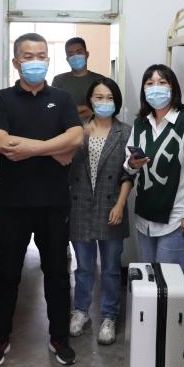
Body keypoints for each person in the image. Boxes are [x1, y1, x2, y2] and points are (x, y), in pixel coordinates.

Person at [0, 33, 84, 367]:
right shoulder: (1, 99)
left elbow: (76, 137)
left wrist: (32, 148)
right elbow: (2, 142)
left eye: (41, 56)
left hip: (54, 203)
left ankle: (60, 338)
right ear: (16, 62)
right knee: (7, 274)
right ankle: (0, 338)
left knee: (57, 274)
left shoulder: (63, 98)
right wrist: (54, 149)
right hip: (12, 204)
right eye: (28, 56)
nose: (35, 62)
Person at [68, 78, 134, 345]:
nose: (104, 102)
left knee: (110, 269)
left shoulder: (126, 132)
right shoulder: (77, 130)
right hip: (80, 207)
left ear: (116, 102)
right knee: (83, 267)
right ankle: (81, 311)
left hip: (111, 208)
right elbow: (64, 164)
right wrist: (76, 140)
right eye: (99, 97)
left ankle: (109, 316)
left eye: (109, 98)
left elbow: (129, 173)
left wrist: (120, 204)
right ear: (90, 100)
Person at [125, 64, 184, 268]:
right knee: (149, 277)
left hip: (176, 218)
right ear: (144, 90)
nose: (156, 87)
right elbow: (128, 162)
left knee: (169, 279)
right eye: (149, 83)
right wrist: (132, 164)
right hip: (145, 216)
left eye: (162, 82)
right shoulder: (140, 123)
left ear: (173, 88)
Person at [52, 37, 104, 121]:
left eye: (79, 52)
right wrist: (87, 108)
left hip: (95, 127)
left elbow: (102, 108)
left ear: (87, 54)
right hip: (66, 128)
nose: (75, 56)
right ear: (67, 59)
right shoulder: (58, 80)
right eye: (71, 54)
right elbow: (56, 109)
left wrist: (70, 112)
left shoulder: (100, 80)